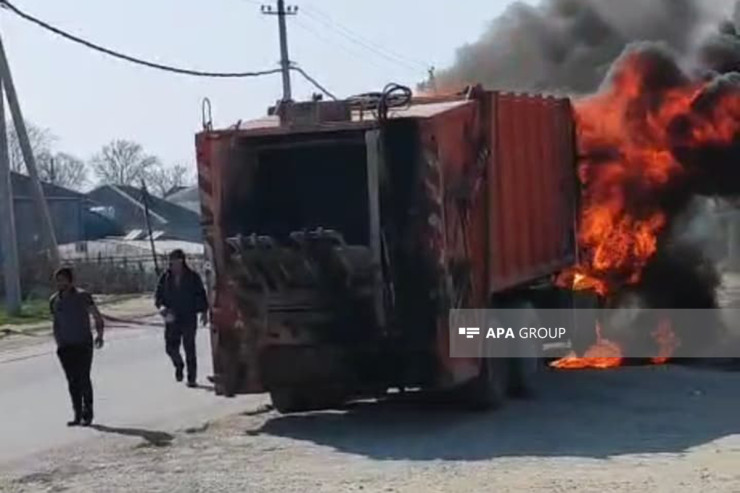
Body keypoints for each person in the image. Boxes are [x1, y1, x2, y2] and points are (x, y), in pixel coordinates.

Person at [50, 267, 105, 427]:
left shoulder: (83, 297)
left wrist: (100, 335)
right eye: (58, 280)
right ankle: (77, 414)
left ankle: (88, 413)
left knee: (83, 378)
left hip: (83, 344)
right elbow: (56, 322)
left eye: (63, 279)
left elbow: (96, 316)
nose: (61, 283)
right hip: (65, 346)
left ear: (70, 280)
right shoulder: (54, 300)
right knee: (72, 381)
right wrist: (58, 342)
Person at [155, 249, 209, 388]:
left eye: (175, 260)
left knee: (189, 347)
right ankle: (179, 364)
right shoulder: (165, 277)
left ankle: (192, 378)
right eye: (171, 261)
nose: (172, 264)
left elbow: (201, 294)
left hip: (188, 316)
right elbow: (158, 296)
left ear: (181, 261)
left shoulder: (192, 277)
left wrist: (204, 312)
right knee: (170, 347)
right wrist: (161, 308)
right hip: (172, 316)